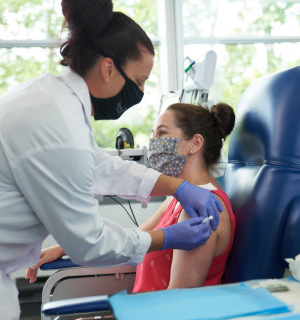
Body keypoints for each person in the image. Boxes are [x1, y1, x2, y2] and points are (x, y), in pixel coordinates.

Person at [0, 1, 222, 319]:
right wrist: (167, 237)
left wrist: (176, 187)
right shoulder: (54, 120)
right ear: (107, 69)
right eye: (139, 81)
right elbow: (89, 241)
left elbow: (97, 164)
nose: (140, 91)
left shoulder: (57, 104)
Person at [27, 102, 236, 293]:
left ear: (195, 143)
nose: (153, 142)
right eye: (153, 134)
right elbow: (135, 238)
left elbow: (178, 304)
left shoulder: (200, 209)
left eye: (162, 133)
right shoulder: (178, 198)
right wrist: (66, 247)